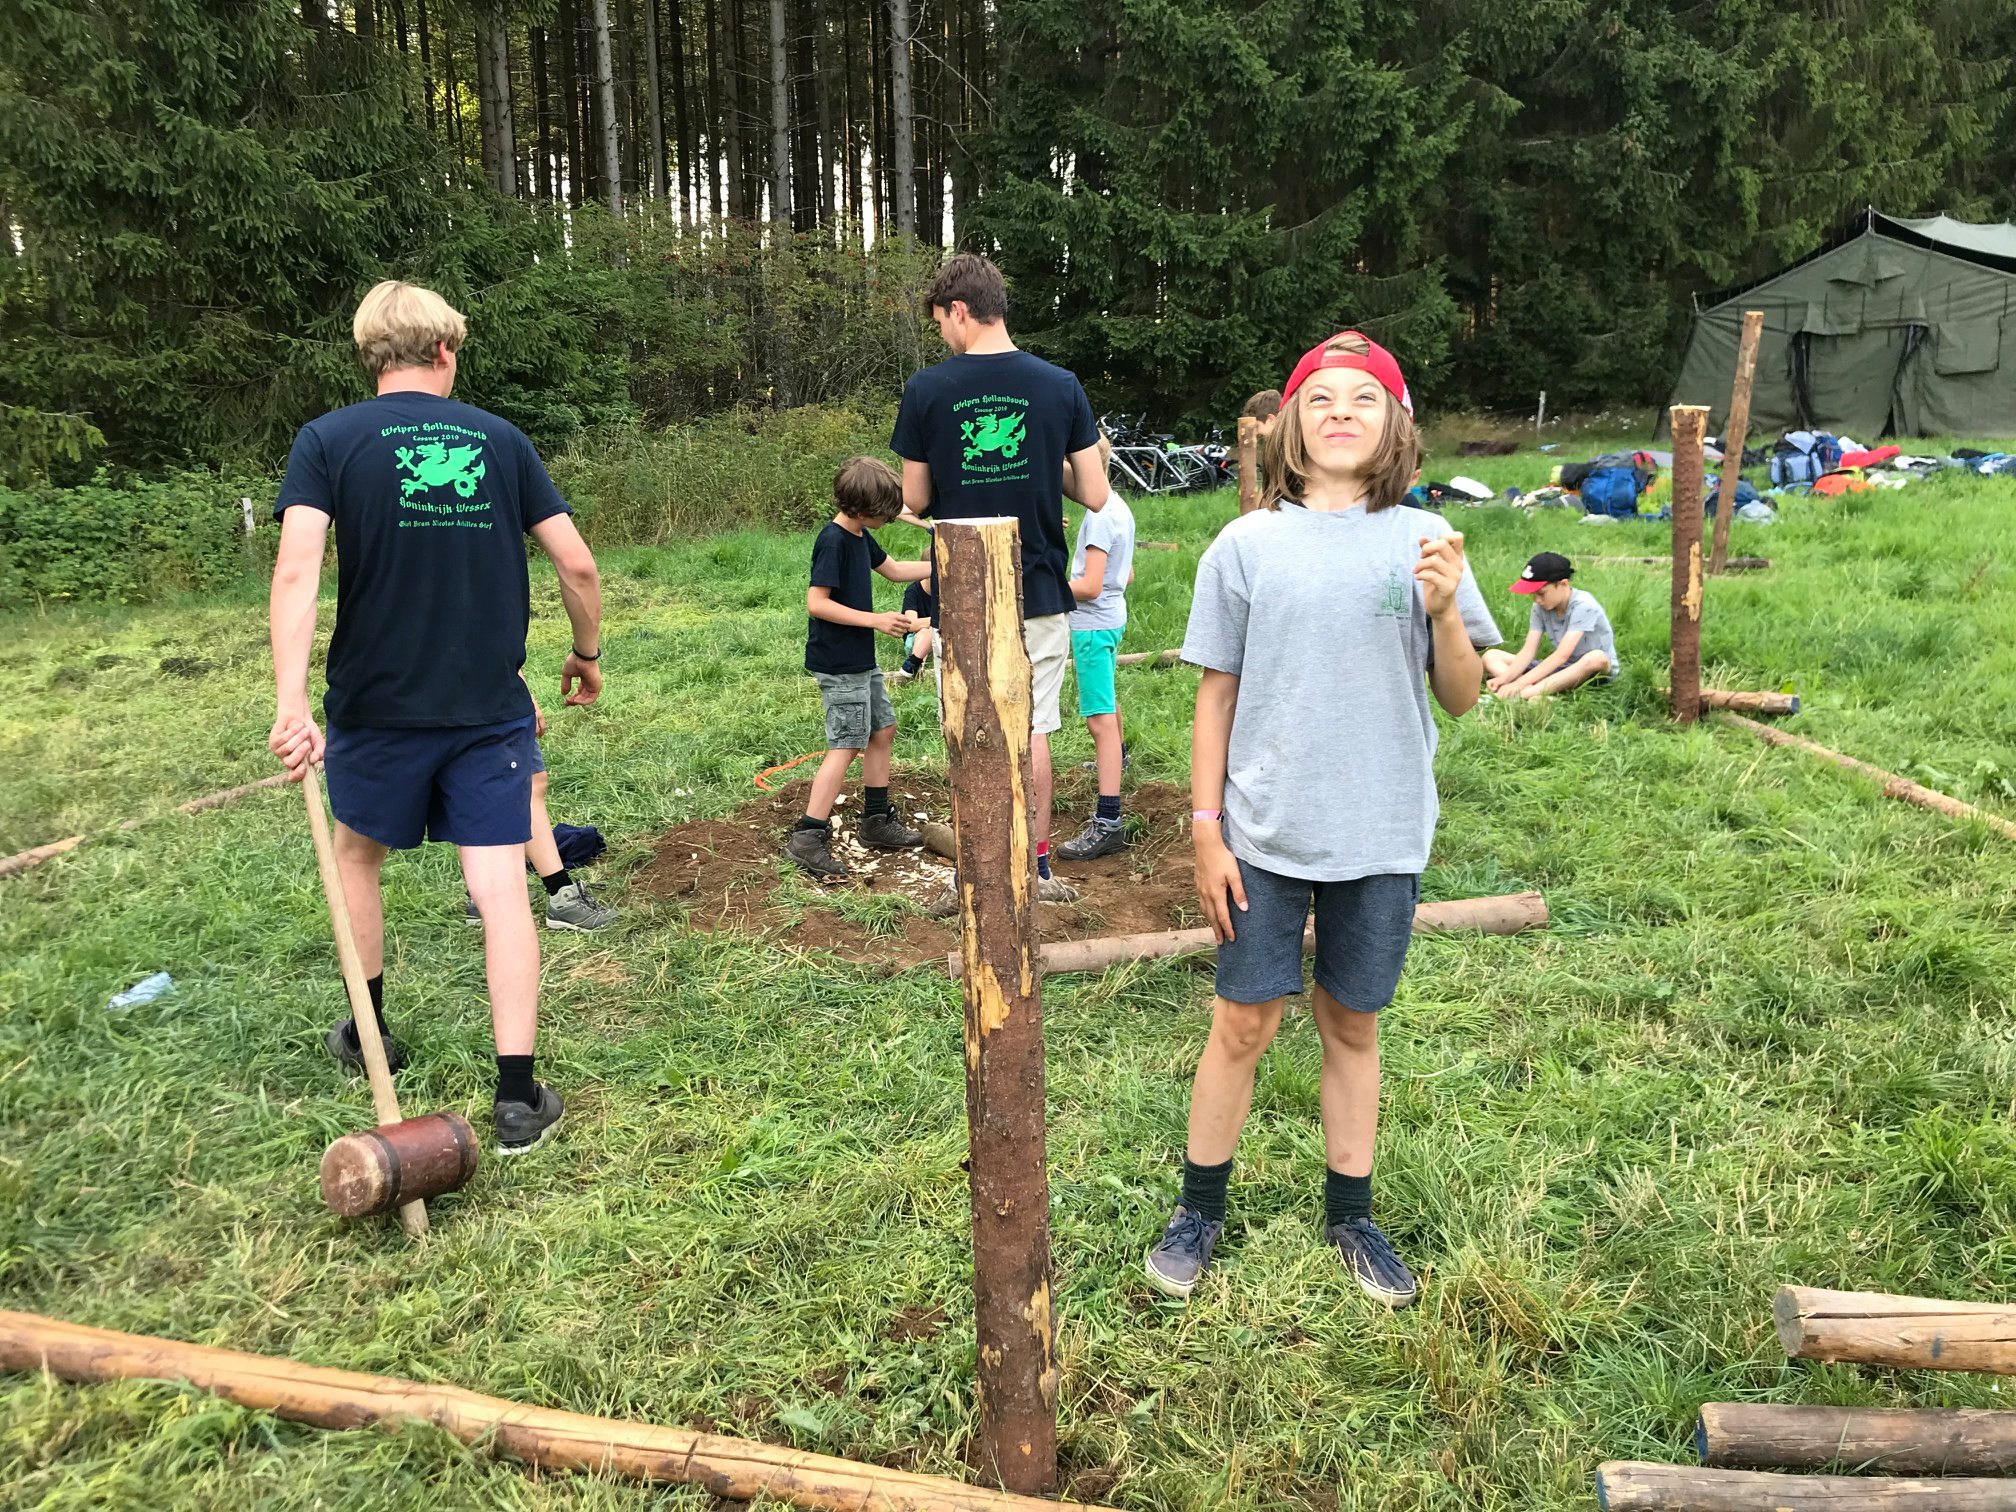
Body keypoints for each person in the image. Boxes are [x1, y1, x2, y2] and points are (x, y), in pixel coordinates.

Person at [1145, 332, 1501, 1307]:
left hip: (1382, 832)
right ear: (1290, 428)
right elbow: (1215, 696)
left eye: (1364, 398)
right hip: (1261, 834)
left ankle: (1352, 1213)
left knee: (1351, 1021)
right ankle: (1199, 1209)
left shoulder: (1427, 542)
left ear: (1397, 426)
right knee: (1243, 1021)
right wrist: (1205, 828)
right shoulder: (1246, 546)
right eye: (1320, 399)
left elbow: (1463, 697)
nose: (1341, 411)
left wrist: (1442, 614)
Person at [268, 279, 601, 1157]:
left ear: (370, 355)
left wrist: (292, 701)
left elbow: (297, 574)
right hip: (487, 708)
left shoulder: (326, 441)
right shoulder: (500, 441)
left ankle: (367, 1032)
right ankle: (519, 1099)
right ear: (445, 351)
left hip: (374, 708)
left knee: (358, 855)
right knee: (499, 892)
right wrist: (586, 651)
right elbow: (577, 565)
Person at [890, 252, 1108, 909]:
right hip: (1038, 584)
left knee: (971, 728)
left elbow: (917, 498)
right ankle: (1036, 872)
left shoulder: (926, 390)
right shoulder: (1061, 384)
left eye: (941, 324)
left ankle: (976, 877)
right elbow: (1094, 492)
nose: (943, 338)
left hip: (962, 591)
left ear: (959, 310)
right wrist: (1047, 463)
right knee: (1034, 728)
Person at [787, 457, 934, 880]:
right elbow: (817, 603)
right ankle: (808, 837)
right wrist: (876, 620)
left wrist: (947, 562)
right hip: (838, 662)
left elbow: (894, 571)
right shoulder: (833, 540)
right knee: (847, 743)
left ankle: (874, 820)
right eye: (882, 514)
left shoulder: (859, 535)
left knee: (882, 730)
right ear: (859, 507)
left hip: (860, 659)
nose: (888, 520)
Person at [463, 676, 617, 931]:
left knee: (473, 787)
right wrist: (521, 693)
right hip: (486, 688)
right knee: (530, 783)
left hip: (432, 696)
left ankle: (482, 896)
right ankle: (562, 897)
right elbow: (492, 642)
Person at [1057, 434, 1137, 862]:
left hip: (1091, 627)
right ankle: (1117, 759)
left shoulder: (1100, 517)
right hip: (1111, 620)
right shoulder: (1118, 507)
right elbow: (1126, 576)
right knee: (1108, 700)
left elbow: (1088, 586)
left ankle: (1108, 821)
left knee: (1098, 719)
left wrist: (1042, 587)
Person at [1482, 552, 1619, 700]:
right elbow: (1528, 651)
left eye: (1542, 593)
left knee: (1596, 658)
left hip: (1591, 672)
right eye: (1533, 594)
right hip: (1560, 670)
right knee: (1491, 656)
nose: (1537, 600)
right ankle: (1531, 691)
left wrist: (1519, 683)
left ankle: (1519, 694)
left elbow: (1562, 655)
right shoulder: (1540, 607)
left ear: (1563, 584)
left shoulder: (1584, 605)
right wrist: (1505, 678)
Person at [887, 548, 935, 686]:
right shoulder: (914, 590)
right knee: (924, 631)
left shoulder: (948, 590)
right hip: (915, 639)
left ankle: (914, 667)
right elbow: (911, 624)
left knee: (931, 629)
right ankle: (918, 667)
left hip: (941, 638)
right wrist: (939, 620)